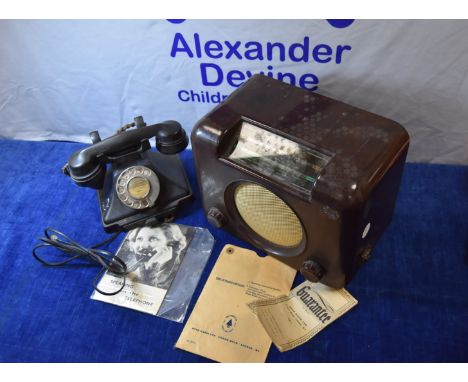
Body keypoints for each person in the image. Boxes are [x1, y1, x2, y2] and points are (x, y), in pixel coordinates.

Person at [122, 224, 187, 289]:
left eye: (153, 239)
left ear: (171, 244)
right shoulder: (128, 264)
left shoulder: (178, 275)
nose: (143, 245)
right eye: (139, 239)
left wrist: (152, 265)